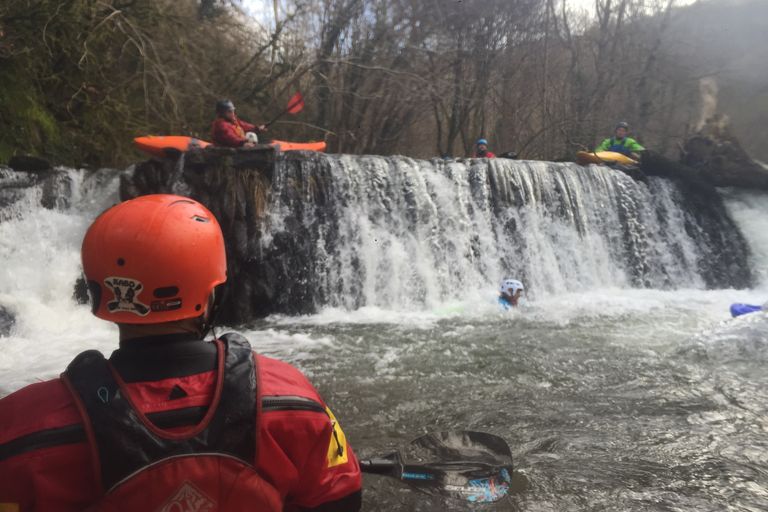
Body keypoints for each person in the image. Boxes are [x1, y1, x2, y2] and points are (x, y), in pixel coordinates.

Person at [0, 194, 362, 511]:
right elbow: (341, 498)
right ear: (211, 293)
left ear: (98, 294)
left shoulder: (23, 428)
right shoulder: (294, 399)